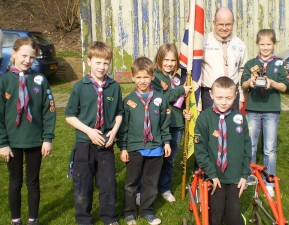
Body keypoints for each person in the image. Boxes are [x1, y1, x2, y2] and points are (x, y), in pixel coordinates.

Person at [65, 41, 123, 225]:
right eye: (98, 62)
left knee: (108, 183)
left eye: (106, 63)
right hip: (85, 143)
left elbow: (119, 113)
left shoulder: (114, 86)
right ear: (89, 61)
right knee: (84, 183)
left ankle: (109, 217)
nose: (102, 67)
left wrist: (113, 131)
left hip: (106, 143)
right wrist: (89, 131)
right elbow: (69, 116)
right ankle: (84, 219)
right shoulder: (80, 87)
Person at [0, 37, 56, 225]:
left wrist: (47, 138)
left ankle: (33, 220)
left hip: (35, 141)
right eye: (24, 55)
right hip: (12, 142)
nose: (27, 60)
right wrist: (3, 143)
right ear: (13, 54)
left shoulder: (40, 80)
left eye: (32, 57)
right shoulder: (4, 81)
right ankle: (16, 220)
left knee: (33, 182)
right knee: (15, 182)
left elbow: (49, 110)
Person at [118, 56, 172, 225]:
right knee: (131, 183)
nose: (142, 81)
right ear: (133, 77)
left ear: (152, 77)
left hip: (155, 147)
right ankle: (129, 212)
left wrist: (166, 142)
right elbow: (123, 127)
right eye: (139, 77)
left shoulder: (160, 99)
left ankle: (147, 210)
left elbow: (164, 124)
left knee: (151, 182)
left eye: (146, 77)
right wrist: (123, 148)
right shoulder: (128, 101)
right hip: (134, 148)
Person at [194, 76, 251, 225]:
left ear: (235, 96)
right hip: (215, 176)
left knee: (233, 215)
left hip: (235, 176)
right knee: (215, 214)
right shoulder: (204, 119)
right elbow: (200, 150)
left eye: (229, 98)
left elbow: (247, 148)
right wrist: (211, 173)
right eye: (219, 97)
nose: (224, 102)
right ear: (211, 95)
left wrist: (244, 174)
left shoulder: (240, 118)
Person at [241, 29, 288, 197]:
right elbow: (243, 85)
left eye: (269, 44)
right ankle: (250, 176)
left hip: (271, 110)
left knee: (269, 149)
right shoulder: (251, 63)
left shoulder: (279, 63)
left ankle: (269, 181)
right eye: (262, 44)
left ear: (274, 44)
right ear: (257, 44)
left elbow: (283, 87)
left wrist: (272, 83)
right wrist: (251, 81)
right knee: (251, 145)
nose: (265, 47)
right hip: (253, 108)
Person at [150, 43, 191, 202]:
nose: (169, 63)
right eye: (166, 59)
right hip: (160, 125)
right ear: (159, 59)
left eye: (173, 60)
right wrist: (181, 90)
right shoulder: (155, 77)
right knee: (154, 159)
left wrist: (186, 112)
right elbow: (161, 99)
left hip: (176, 124)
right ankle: (149, 188)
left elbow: (182, 102)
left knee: (170, 159)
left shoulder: (179, 78)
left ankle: (165, 188)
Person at [199, 7, 247, 111]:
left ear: (233, 23)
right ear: (214, 23)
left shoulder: (240, 45)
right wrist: (198, 101)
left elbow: (242, 73)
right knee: (210, 127)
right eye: (221, 24)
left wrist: (241, 98)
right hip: (209, 96)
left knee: (231, 126)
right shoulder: (203, 42)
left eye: (228, 24)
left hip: (232, 96)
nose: (224, 28)